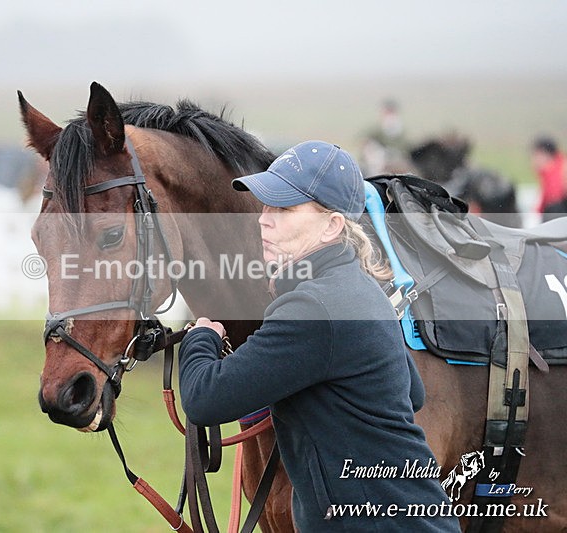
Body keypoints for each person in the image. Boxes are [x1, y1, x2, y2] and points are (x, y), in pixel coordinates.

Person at [178, 141, 460, 532]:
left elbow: (204, 399)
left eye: (283, 209)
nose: (263, 219)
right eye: (265, 206)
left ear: (332, 225)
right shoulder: (358, 289)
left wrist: (201, 339)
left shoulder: (314, 308)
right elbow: (412, 393)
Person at [531, 136, 567, 221]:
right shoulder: (548, 173)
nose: (533, 161)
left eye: (535, 155)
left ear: (543, 154)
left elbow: (553, 200)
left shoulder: (557, 172)